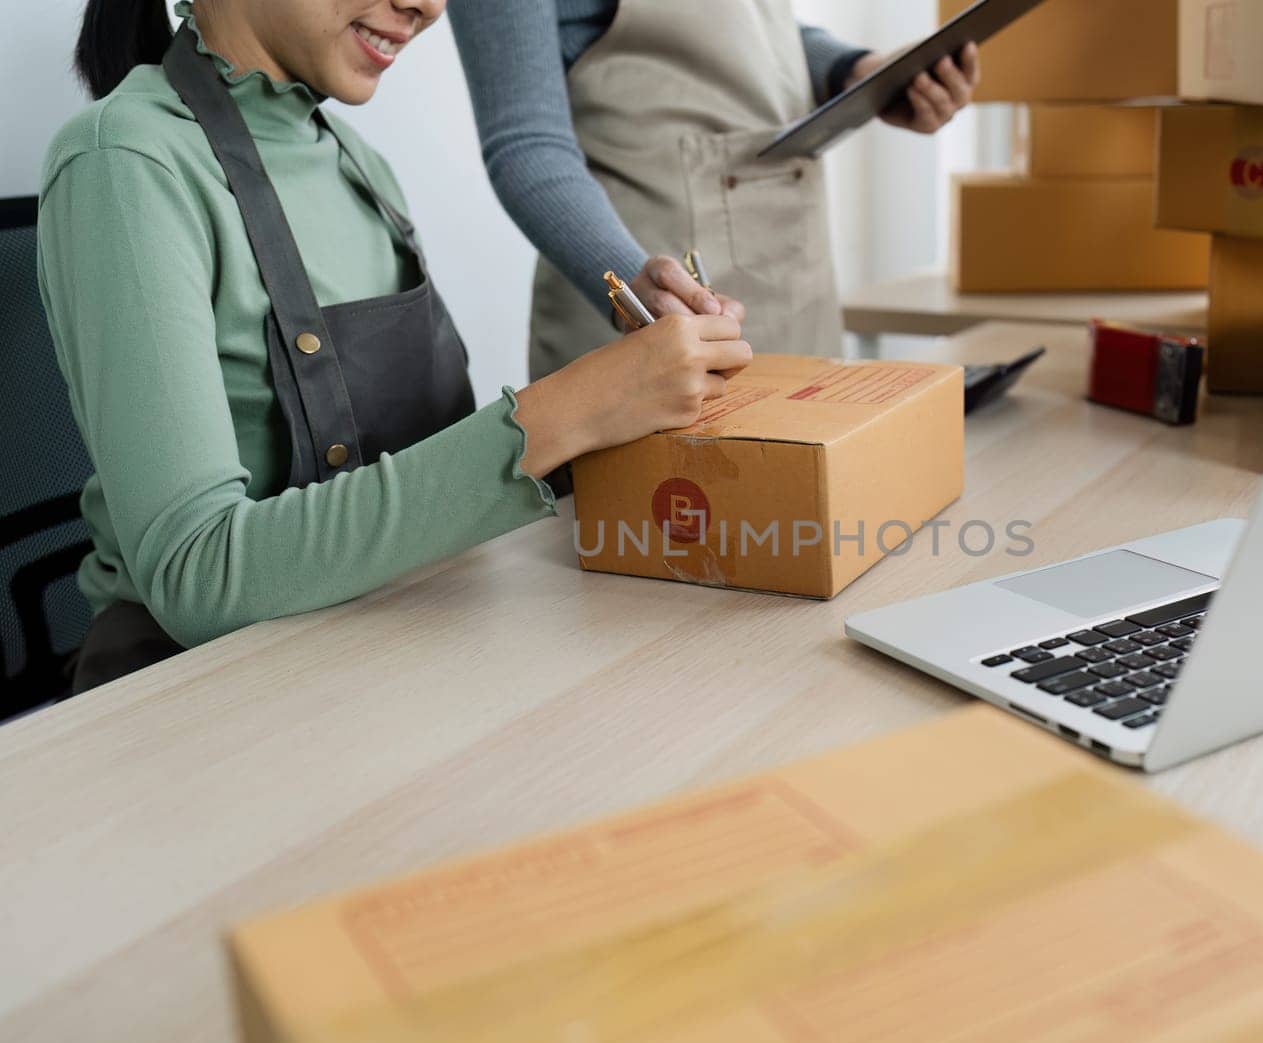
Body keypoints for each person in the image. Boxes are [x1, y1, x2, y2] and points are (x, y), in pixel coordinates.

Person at [40, 0, 750, 693]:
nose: (429, 7)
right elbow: (198, 575)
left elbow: (429, 492)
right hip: (197, 696)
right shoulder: (125, 161)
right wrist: (570, 410)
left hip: (389, 645)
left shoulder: (359, 163)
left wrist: (628, 399)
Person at [450, 1, 980, 380]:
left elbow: (753, 25)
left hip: (794, 279)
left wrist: (855, 71)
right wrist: (634, 295)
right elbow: (525, 141)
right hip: (654, 298)